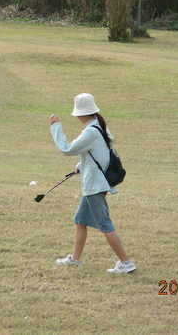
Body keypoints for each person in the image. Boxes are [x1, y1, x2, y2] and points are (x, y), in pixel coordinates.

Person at [49, 93, 136, 274]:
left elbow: (67, 149)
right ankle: (75, 259)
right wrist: (82, 166)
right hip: (97, 182)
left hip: (95, 185)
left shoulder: (90, 131)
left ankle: (126, 263)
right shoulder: (99, 126)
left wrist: (55, 127)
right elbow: (99, 154)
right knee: (80, 220)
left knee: (105, 225)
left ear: (80, 114)